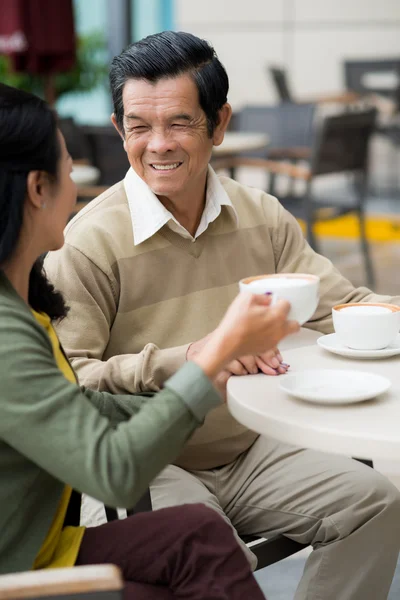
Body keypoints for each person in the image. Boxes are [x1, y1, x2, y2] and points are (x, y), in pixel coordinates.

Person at [44, 31, 400, 600]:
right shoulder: (85, 244)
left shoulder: (261, 215)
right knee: (212, 556)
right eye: (139, 126)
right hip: (145, 465)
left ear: (219, 122)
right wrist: (190, 359)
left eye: (180, 123)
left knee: (377, 502)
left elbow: (344, 308)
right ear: (119, 129)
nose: (158, 145)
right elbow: (69, 386)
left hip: (248, 446)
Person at [0, 83, 304, 598]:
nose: (77, 188)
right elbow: (114, 472)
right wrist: (212, 359)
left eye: (180, 123)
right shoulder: (8, 332)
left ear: (218, 123)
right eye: (70, 170)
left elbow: (77, 404)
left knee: (200, 537)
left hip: (44, 547)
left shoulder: (22, 302)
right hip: (20, 572)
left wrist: (205, 379)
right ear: (37, 188)